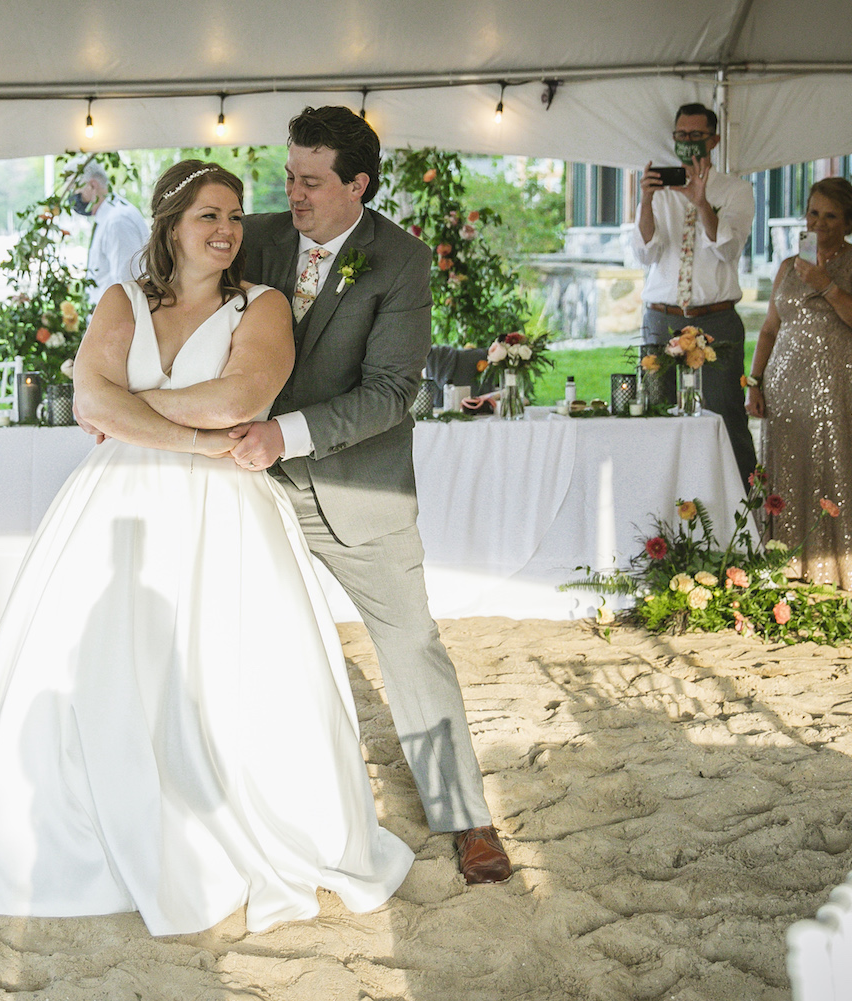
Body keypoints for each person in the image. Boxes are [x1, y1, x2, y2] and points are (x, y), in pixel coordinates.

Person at [0, 160, 414, 936]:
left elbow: (241, 398)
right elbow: (89, 400)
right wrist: (186, 437)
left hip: (224, 505)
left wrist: (134, 411)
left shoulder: (262, 307)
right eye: (208, 217)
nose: (228, 230)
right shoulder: (120, 301)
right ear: (171, 227)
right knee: (102, 664)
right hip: (116, 504)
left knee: (225, 663)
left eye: (233, 216)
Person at [148, 106, 512, 884]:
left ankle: (466, 816)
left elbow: (390, 391)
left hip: (357, 492)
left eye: (312, 181)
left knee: (412, 645)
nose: (294, 194)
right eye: (289, 176)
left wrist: (286, 433)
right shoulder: (260, 236)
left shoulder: (401, 261)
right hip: (239, 483)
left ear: (359, 185)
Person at [747, 178, 852, 589]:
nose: (819, 224)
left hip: (839, 380)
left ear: (847, 222)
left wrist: (826, 286)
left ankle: (838, 566)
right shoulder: (789, 265)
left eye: (830, 215)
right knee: (786, 465)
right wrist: (754, 381)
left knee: (836, 465)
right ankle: (786, 560)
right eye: (813, 213)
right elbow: (770, 328)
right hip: (786, 379)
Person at [632, 102, 757, 484]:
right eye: (681, 136)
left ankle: (745, 506)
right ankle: (662, 498)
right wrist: (648, 200)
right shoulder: (659, 190)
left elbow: (728, 248)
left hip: (715, 318)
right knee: (657, 413)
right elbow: (644, 252)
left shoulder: (735, 190)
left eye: (696, 136)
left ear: (714, 140)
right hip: (662, 317)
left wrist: (702, 202)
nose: (687, 142)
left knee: (725, 413)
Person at [70, 159, 149, 306]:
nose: (73, 198)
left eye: (75, 191)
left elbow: (128, 284)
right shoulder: (109, 217)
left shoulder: (118, 221)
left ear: (92, 185)